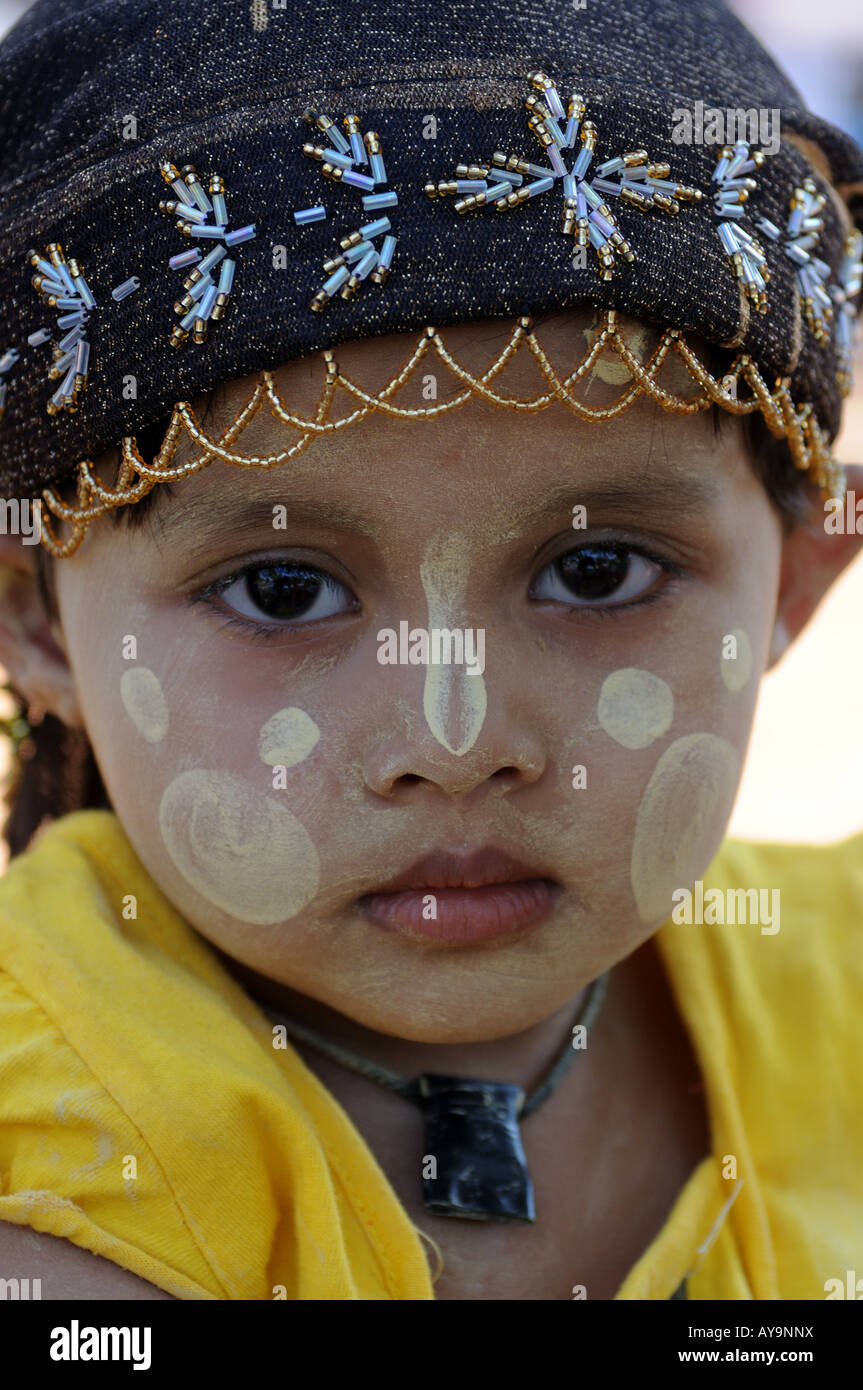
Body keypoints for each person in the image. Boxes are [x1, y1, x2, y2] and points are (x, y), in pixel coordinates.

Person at [0, 0, 861, 1301]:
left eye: (593, 569)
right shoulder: (58, 1166)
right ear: (30, 616)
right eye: (285, 589)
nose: (457, 745)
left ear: (797, 577)